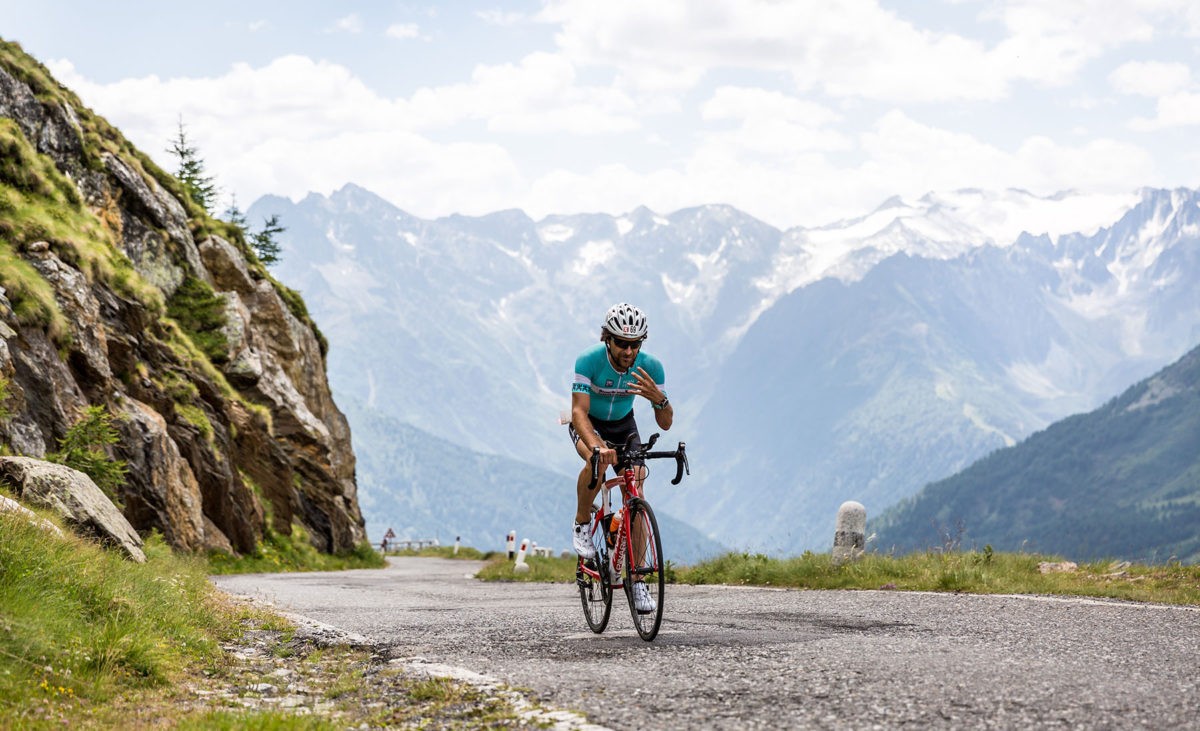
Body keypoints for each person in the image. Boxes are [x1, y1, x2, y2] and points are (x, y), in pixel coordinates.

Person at [568, 303, 672, 613]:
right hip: (590, 423)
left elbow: (665, 422)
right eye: (622, 343)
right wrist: (597, 446)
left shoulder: (651, 367)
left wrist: (660, 400)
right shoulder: (589, 360)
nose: (629, 351)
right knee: (596, 463)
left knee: (636, 491)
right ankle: (582, 524)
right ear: (607, 340)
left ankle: (637, 581)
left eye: (635, 344)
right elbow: (578, 412)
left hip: (625, 424)